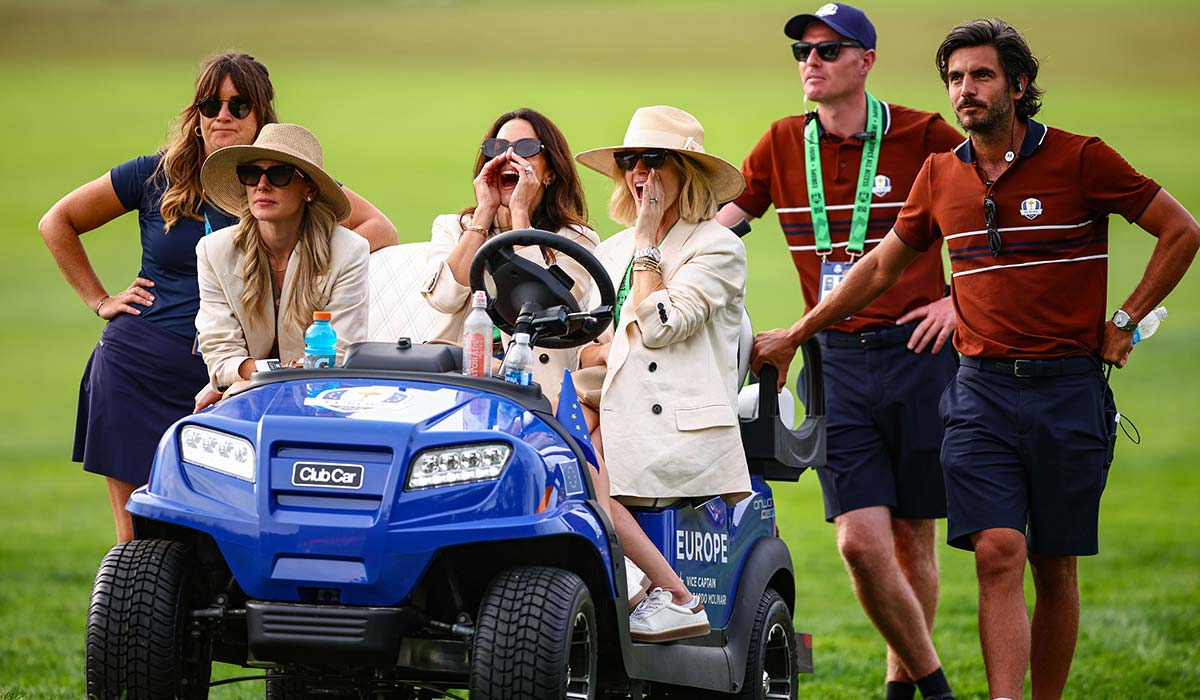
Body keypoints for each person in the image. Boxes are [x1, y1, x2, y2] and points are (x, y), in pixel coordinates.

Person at [752, 19, 1199, 700]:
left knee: (1053, 566)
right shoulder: (940, 174)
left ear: (1018, 87)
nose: (966, 90)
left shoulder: (1082, 159)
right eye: (956, 78)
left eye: (982, 75)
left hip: (1068, 390)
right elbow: (875, 271)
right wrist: (797, 331)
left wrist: (1125, 319)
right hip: (979, 394)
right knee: (997, 553)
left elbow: (1180, 230)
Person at [38, 52, 395, 543]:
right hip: (139, 366)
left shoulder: (286, 181)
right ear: (197, 114)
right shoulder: (156, 174)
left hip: (233, 381)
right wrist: (100, 300)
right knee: (137, 536)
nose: (222, 115)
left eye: (238, 104)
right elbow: (57, 221)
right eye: (210, 104)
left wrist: (304, 273)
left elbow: (378, 228)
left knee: (222, 535)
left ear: (261, 115)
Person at [717, 5, 961, 699]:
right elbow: (724, 227)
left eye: (828, 50)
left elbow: (989, 217)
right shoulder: (779, 144)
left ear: (867, 62)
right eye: (802, 50)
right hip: (836, 359)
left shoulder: (926, 136)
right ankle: (936, 686)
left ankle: (899, 688)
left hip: (922, 353)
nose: (811, 62)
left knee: (914, 538)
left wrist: (958, 302)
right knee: (858, 541)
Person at [575, 105, 750, 642]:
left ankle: (675, 596)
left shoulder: (719, 247)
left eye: (654, 159)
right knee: (543, 448)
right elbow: (585, 342)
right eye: (630, 160)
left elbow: (658, 326)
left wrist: (648, 240)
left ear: (686, 171)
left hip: (667, 417)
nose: (638, 172)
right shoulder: (610, 250)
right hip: (603, 400)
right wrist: (598, 352)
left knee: (578, 467)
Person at [420, 108, 598, 401]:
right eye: (498, 148)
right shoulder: (453, 227)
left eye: (526, 149)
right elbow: (443, 299)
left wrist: (519, 214)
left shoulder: (576, 240)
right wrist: (485, 213)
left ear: (551, 173)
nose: (508, 157)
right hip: (457, 377)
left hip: (533, 384)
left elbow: (542, 311)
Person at [194, 123, 368, 401]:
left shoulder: (348, 250)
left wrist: (250, 380)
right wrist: (261, 379)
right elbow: (220, 354)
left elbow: (338, 358)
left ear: (308, 188)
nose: (262, 185)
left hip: (320, 401)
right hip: (244, 397)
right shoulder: (214, 250)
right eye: (251, 173)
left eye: (279, 174)